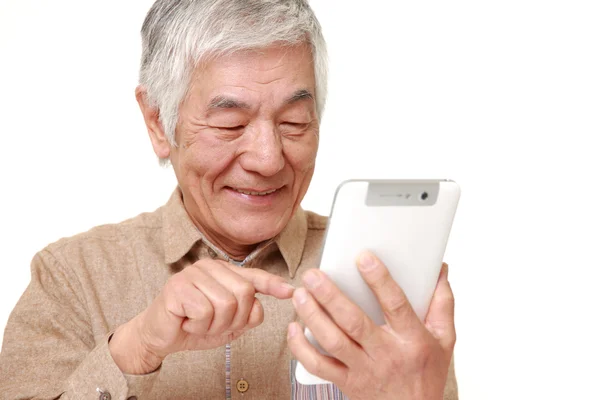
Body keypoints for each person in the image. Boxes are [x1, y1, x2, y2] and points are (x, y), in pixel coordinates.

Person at [0, 0, 459, 399]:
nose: (268, 158)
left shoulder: (387, 282)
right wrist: (135, 348)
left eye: (295, 122)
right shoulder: (72, 279)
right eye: (230, 125)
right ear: (159, 123)